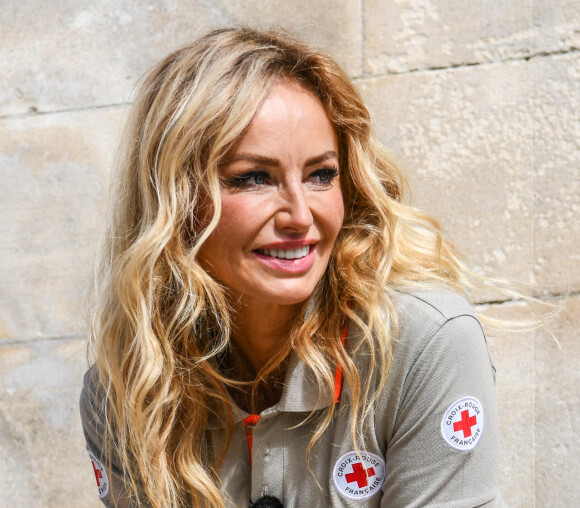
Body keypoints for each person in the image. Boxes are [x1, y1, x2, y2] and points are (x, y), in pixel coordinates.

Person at [80, 27, 506, 507]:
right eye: (254, 178)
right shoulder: (128, 386)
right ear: (174, 203)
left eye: (321, 175)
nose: (301, 216)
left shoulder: (425, 340)